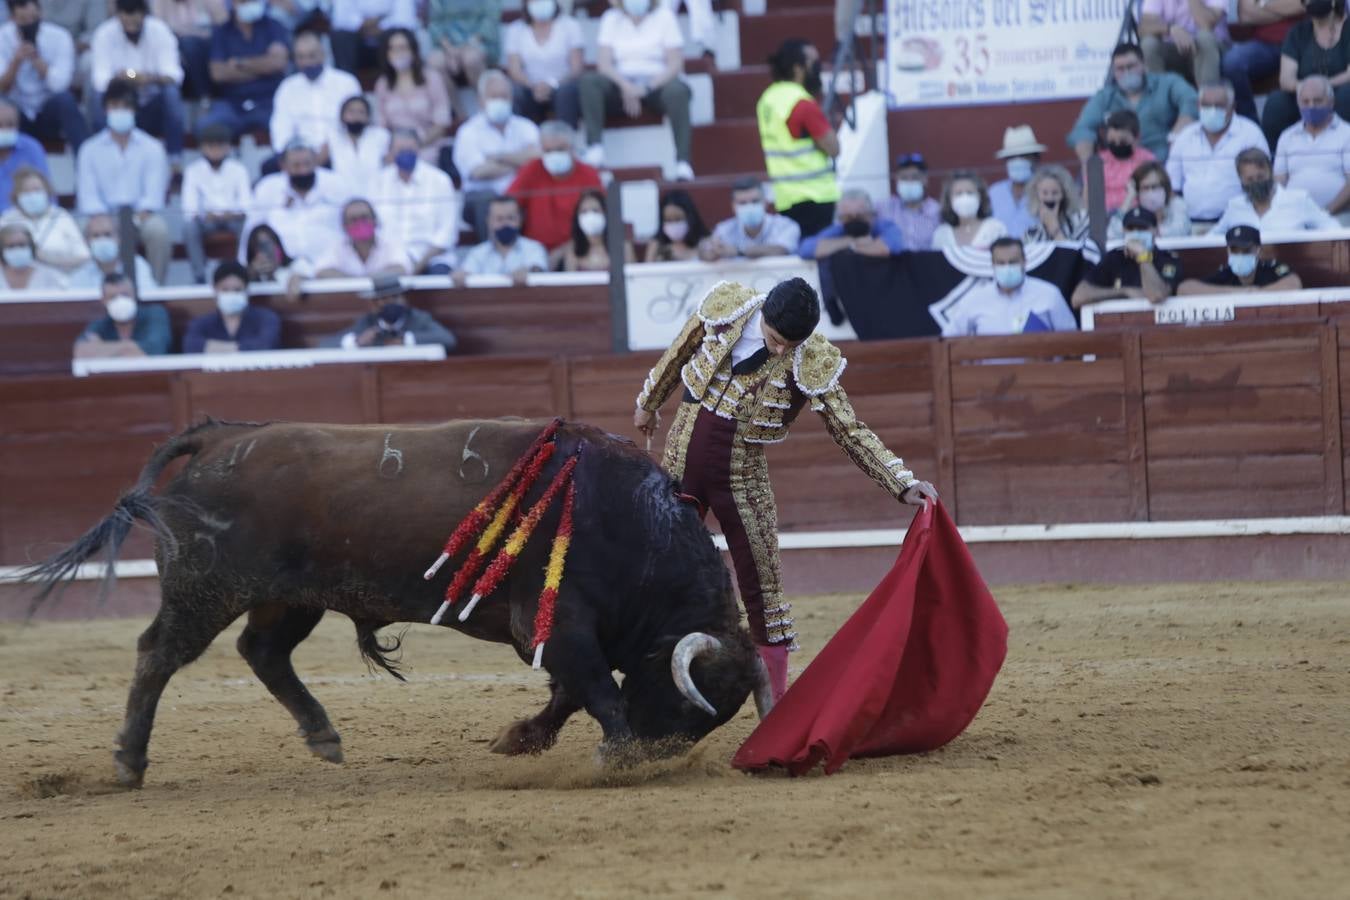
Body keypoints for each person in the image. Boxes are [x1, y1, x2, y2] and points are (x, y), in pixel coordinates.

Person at [631, 278, 937, 699]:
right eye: (775, 340)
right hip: (680, 465)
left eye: (790, 345)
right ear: (763, 317)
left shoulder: (808, 358)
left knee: (764, 593)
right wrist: (648, 402)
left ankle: (773, 703)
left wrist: (900, 483)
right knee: (657, 572)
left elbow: (848, 429)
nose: (781, 352)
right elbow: (680, 350)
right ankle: (646, 681)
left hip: (741, 480)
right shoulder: (729, 310)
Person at [577, 0, 693, 180]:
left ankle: (683, 162)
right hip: (620, 83)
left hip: (657, 84)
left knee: (678, 92)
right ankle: (595, 148)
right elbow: (604, 64)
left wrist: (645, 88)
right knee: (589, 82)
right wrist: (626, 87)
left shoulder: (664, 15)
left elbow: (674, 64)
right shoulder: (611, 18)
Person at [75, 78, 170, 284]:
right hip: (101, 218)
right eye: (114, 106)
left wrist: (130, 223)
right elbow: (88, 197)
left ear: (135, 110)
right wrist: (107, 224)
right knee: (81, 229)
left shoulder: (152, 148)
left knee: (159, 230)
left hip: (140, 219)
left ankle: (155, 288)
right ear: (105, 109)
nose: (120, 111)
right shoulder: (89, 149)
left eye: (126, 106)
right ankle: (87, 288)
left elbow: (153, 198)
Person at [756, 38, 839, 238]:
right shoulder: (802, 103)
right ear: (798, 68)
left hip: (785, 197)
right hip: (816, 197)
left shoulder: (767, 99)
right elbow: (833, 148)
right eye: (813, 62)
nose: (818, 67)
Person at [1067, 42, 1198, 163]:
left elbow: (1191, 101)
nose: (1126, 72)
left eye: (1131, 66)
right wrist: (1089, 164)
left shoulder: (1167, 83)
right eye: (1120, 68)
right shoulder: (1104, 97)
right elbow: (1082, 129)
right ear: (1113, 71)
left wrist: (1176, 135)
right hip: (1120, 166)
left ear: (1143, 65)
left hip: (1166, 162)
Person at [88, 0, 184, 162]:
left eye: (135, 19)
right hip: (120, 107)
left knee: (171, 93)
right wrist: (125, 78)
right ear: (118, 15)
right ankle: (104, 155)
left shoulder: (159, 30)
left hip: (151, 106)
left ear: (144, 15)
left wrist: (149, 78)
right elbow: (100, 80)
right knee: (97, 95)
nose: (131, 24)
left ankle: (175, 159)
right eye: (126, 18)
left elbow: (174, 75)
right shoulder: (104, 33)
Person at [1165, 79, 1269, 227]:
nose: (1212, 110)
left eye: (1219, 106)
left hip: (1238, 223)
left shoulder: (1250, 134)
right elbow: (1171, 185)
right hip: (1191, 224)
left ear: (1232, 107)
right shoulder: (1185, 136)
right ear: (1198, 106)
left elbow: (1262, 182)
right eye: (1206, 105)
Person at [452, 69, 541, 239]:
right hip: (481, 197)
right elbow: (479, 172)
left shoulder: (526, 127)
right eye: (494, 97)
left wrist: (498, 157)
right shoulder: (468, 132)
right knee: (489, 202)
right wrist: (520, 160)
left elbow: (537, 160)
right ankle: (493, 260)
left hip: (520, 194)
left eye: (504, 96)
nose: (500, 101)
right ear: (480, 101)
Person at [241, 140, 348, 271]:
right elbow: (252, 230)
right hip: (282, 270)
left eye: (307, 164)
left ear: (315, 161)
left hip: (332, 267)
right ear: (283, 165)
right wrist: (245, 267)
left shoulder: (336, 183)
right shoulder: (268, 187)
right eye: (296, 165)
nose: (303, 171)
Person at [940, 238, 1077, 337]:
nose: (1007, 267)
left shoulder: (1049, 294)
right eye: (1001, 263)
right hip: (989, 374)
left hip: (1040, 374)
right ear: (992, 265)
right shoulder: (974, 299)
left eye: (1013, 262)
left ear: (1024, 261)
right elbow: (948, 338)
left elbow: (1072, 339)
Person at [1261, 0, 1350, 152]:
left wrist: (1323, 87)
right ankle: (1273, 157)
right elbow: (1286, 79)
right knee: (1276, 102)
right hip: (1304, 92)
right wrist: (1307, 88)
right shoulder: (1297, 32)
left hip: (1339, 89)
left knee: (1346, 96)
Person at [0, 0, 88, 151]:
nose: (29, 24)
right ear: (12, 18)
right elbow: (2, 87)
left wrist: (37, 61)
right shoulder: (3, 37)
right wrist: (16, 62)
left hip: (48, 111)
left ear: (41, 13)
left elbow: (60, 85)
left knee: (66, 100)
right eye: (23, 20)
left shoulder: (59, 37)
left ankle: (84, 158)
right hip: (17, 112)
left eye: (33, 19)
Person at [506, 119, 602, 256]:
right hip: (534, 252)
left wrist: (564, 251)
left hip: (578, 249)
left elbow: (600, 217)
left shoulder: (589, 175)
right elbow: (508, 205)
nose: (554, 155)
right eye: (548, 151)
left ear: (572, 148)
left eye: (560, 149)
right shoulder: (532, 170)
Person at [268, 28, 361, 167]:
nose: (307, 62)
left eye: (312, 56)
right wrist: (291, 153)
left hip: (339, 151)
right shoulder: (287, 88)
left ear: (323, 54)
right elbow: (281, 127)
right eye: (301, 57)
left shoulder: (346, 83)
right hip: (299, 154)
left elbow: (355, 122)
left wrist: (331, 147)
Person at [372, 129, 458, 274]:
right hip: (391, 259)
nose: (406, 154)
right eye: (400, 150)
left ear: (419, 149)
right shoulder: (377, 182)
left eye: (410, 149)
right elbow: (375, 227)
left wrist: (417, 265)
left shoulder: (440, 180)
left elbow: (447, 233)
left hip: (433, 258)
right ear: (390, 151)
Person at [203, 0, 289, 139]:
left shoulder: (273, 26)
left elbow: (278, 63)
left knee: (284, 126)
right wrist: (263, 67)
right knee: (206, 127)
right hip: (232, 104)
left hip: (268, 102)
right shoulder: (222, 31)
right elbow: (218, 73)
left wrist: (239, 63)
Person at [180, 122, 250, 284]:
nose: (215, 150)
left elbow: (247, 205)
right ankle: (200, 276)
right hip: (206, 221)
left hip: (233, 219)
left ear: (228, 147)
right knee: (189, 228)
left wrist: (230, 214)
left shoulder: (238, 169)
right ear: (202, 148)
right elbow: (188, 208)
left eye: (220, 145)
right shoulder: (193, 171)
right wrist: (205, 215)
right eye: (210, 146)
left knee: (248, 225)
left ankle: (243, 269)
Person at [1071, 207, 1182, 308]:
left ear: (1155, 231)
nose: (1136, 233)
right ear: (1124, 231)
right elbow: (1078, 297)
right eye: (1131, 229)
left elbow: (1156, 295)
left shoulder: (1167, 259)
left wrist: (1142, 256)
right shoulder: (1114, 257)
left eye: (1142, 228)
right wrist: (1124, 292)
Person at [372, 27, 451, 167]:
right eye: (393, 49)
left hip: (428, 146)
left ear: (413, 51)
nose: (398, 53)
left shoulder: (432, 78)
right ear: (387, 54)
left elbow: (441, 123)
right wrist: (397, 148)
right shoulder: (382, 84)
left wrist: (416, 145)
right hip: (395, 149)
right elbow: (381, 126)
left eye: (403, 47)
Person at [1274, 75, 1350, 215]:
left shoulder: (1347, 133)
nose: (1311, 106)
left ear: (1331, 102)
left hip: (1339, 215)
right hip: (1293, 215)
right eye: (1305, 102)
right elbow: (1279, 182)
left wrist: (1327, 211)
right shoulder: (1287, 136)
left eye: (1318, 100)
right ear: (1299, 104)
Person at [1214, 146, 1341, 231]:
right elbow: (1212, 239)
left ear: (1270, 172)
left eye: (1260, 177)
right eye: (1250, 179)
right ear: (1241, 180)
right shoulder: (1235, 206)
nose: (1256, 183)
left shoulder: (1299, 200)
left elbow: (1332, 228)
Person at [328, 271, 457, 350]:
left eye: (395, 297)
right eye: (384, 299)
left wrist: (405, 340)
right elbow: (325, 345)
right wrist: (356, 341)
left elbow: (448, 340)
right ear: (374, 304)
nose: (391, 303)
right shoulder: (367, 322)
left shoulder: (417, 318)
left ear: (404, 299)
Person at [1222, 0, 1304, 122]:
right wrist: (1286, 10)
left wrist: (1262, 4)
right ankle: (1249, 124)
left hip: (1303, 42)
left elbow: (1304, 5)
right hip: (1266, 45)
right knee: (1232, 63)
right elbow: (1246, 15)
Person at [503, 0, 582, 121]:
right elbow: (514, 70)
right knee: (515, 92)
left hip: (562, 85)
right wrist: (533, 86)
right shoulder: (516, 29)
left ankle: (566, 136)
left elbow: (576, 68)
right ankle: (526, 136)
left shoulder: (570, 25)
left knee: (566, 93)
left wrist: (552, 84)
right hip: (530, 87)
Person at [182, 260, 282, 353]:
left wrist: (214, 349)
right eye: (225, 290)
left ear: (247, 290)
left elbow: (265, 345)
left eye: (237, 290)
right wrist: (241, 349)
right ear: (215, 290)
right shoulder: (201, 323)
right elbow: (191, 346)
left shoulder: (266, 318)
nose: (231, 294)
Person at [0, 164, 86, 271]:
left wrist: (46, 259)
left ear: (47, 191)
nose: (32, 195)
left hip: (60, 282)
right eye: (26, 191)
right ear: (16, 195)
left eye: (36, 190)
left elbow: (83, 256)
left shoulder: (61, 216)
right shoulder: (7, 220)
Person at [425, 0, 500, 120]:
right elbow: (434, 23)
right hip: (447, 46)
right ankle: (459, 115)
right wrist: (450, 49)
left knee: (471, 59)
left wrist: (465, 48)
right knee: (435, 62)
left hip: (480, 42)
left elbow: (490, 20)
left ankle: (485, 108)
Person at [1177, 224, 1303, 293]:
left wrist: (1257, 294)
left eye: (1246, 250)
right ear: (1228, 251)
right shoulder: (1225, 273)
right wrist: (1237, 292)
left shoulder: (1270, 268)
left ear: (1258, 250)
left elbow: (1294, 283)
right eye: (1235, 250)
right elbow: (1184, 289)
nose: (1240, 255)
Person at [700, 176, 802, 261]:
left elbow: (781, 250)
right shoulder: (724, 229)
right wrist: (708, 251)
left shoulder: (786, 225)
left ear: (765, 202)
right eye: (742, 203)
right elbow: (708, 249)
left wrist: (738, 251)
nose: (749, 207)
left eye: (755, 201)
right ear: (733, 206)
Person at [453, 194, 547, 284]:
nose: (505, 223)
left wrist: (529, 271)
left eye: (510, 218)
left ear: (519, 220)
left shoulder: (533, 248)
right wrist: (461, 275)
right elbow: (465, 274)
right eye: (499, 219)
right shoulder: (477, 253)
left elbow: (537, 268)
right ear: (489, 221)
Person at [73, 270, 170, 357]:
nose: (120, 301)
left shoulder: (155, 314)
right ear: (103, 301)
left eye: (125, 295)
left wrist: (102, 348)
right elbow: (81, 352)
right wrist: (129, 348)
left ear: (134, 295)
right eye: (113, 297)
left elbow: (154, 350)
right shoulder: (100, 324)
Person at [1139, 0, 1228, 85]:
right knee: (1149, 44)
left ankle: (1209, 95)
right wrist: (1170, 29)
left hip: (1212, 48)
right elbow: (1143, 27)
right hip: (1174, 49)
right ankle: (1159, 96)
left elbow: (1205, 24)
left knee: (1204, 38)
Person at [798, 188, 904, 260]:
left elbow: (888, 248)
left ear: (871, 214)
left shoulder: (885, 226)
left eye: (859, 215)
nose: (854, 219)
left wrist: (841, 248)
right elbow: (806, 248)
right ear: (840, 218)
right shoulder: (838, 230)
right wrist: (852, 242)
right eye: (848, 217)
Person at [150, 0, 225, 102]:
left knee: (194, 46)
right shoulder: (161, 3)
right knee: (189, 45)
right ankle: (203, 96)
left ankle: (209, 96)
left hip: (210, 45)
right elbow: (158, 31)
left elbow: (223, 23)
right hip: (176, 49)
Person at [314, 197, 408, 278]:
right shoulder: (337, 247)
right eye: (353, 220)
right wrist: (357, 283)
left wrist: (363, 282)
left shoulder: (390, 242)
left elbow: (401, 268)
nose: (360, 223)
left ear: (375, 220)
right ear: (344, 226)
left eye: (364, 218)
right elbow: (321, 271)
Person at [66, 211, 157, 288]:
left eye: (107, 235)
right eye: (96, 236)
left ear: (119, 239)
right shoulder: (79, 276)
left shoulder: (137, 266)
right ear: (86, 242)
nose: (102, 240)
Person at [1108, 161, 1194, 238]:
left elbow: (1181, 230)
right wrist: (1129, 198)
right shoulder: (1135, 213)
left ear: (1165, 188)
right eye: (1145, 188)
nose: (1151, 192)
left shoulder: (1177, 205)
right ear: (1137, 191)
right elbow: (1112, 234)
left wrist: (1145, 233)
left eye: (1155, 186)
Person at [987, 125, 1045, 239]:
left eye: (1024, 156)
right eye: (1012, 157)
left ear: (1036, 159)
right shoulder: (994, 192)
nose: (1018, 161)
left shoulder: (1046, 190)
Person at [1095, 110, 1158, 214]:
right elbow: (1089, 195)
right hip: (1103, 217)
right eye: (1112, 141)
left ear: (1137, 137)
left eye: (1123, 141)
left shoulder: (1147, 160)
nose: (1117, 144)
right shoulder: (1099, 161)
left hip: (1138, 215)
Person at [329, 0, 415, 75]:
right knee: (340, 36)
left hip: (387, 35)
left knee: (400, 36)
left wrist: (381, 26)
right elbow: (340, 17)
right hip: (357, 39)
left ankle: (394, 84)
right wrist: (362, 24)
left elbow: (404, 17)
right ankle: (346, 85)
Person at [877, 151, 939, 251]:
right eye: (904, 178)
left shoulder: (937, 211)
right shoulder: (883, 208)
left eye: (915, 177)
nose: (909, 182)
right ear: (897, 180)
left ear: (925, 180)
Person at [931, 171, 1007, 251]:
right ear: (949, 200)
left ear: (980, 197)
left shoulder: (995, 228)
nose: (965, 198)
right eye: (958, 193)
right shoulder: (941, 234)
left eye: (970, 193)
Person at [563, 188, 633, 272]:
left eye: (595, 210)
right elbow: (571, 282)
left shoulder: (623, 246)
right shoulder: (573, 250)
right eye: (584, 212)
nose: (590, 216)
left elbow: (632, 279)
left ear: (606, 214)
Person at [328, 94, 389, 185]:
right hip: (341, 193)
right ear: (342, 115)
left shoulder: (380, 136)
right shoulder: (332, 137)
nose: (356, 116)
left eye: (361, 112)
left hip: (375, 191)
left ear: (368, 116)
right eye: (351, 112)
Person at [0, 96, 49, 209]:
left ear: (18, 126)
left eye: (10, 125)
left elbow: (47, 193)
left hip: (26, 220)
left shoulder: (32, 148)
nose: (4, 130)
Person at [1022, 165, 1091, 243]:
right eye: (1045, 193)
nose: (1050, 198)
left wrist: (1055, 230)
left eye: (1055, 193)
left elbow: (1075, 254)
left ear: (1065, 194)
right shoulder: (1030, 234)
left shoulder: (1081, 221)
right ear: (1036, 196)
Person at [243, 222, 308, 299]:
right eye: (260, 246)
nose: (266, 251)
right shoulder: (248, 273)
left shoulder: (297, 265)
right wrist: (252, 273)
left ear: (277, 245)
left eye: (268, 244)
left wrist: (297, 277)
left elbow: (309, 271)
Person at [644, 188, 709, 262]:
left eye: (678, 219)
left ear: (690, 218)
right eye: (668, 220)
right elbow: (648, 271)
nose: (673, 224)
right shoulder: (656, 246)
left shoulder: (704, 242)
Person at [0, 219, 63, 288]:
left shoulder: (48, 275)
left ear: (31, 247)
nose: (17, 249)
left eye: (22, 245)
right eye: (11, 246)